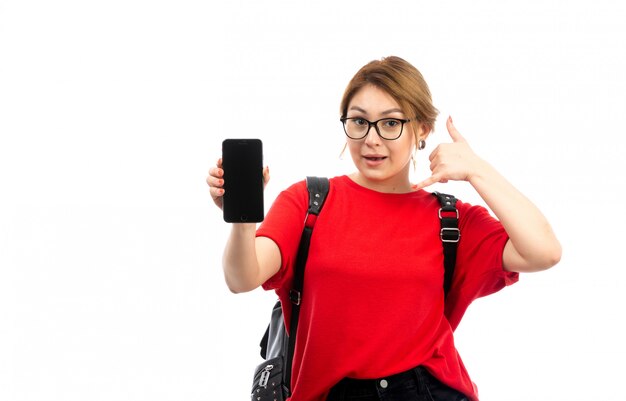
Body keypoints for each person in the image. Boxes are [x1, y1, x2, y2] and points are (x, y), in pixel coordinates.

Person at [206, 56, 561, 401]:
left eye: (391, 123)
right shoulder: (309, 201)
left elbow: (544, 251)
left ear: (421, 129)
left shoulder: (450, 220)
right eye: (359, 122)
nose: (371, 139)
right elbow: (242, 278)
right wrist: (242, 219)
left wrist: (477, 170)